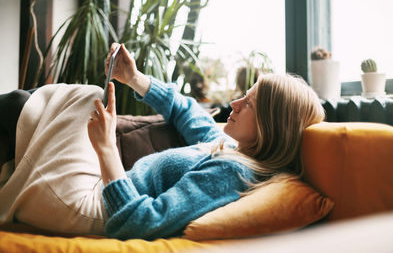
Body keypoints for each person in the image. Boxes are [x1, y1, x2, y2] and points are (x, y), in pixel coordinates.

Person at [0, 43, 325, 240]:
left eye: (249, 103)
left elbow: (143, 223)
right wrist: (133, 78)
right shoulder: (230, 148)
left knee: (87, 98)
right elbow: (186, 112)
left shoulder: (233, 175)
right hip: (100, 192)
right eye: (243, 96)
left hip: (98, 212)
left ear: (271, 126)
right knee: (19, 107)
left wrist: (107, 149)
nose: (234, 105)